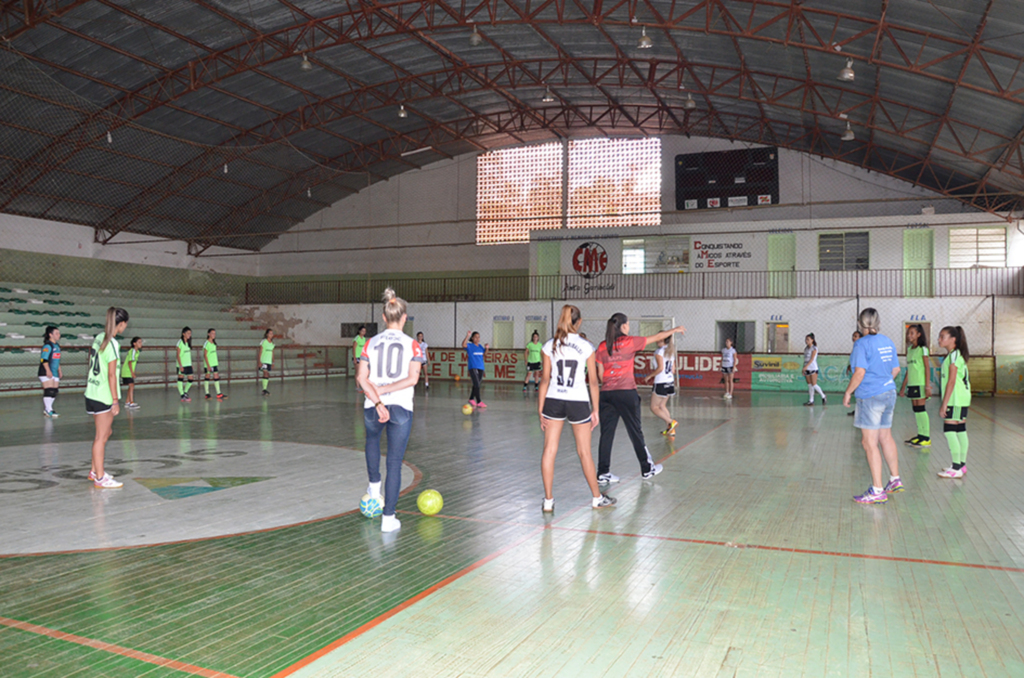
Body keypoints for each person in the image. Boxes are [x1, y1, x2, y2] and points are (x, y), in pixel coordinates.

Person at [356, 288, 424, 533]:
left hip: (373, 405)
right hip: (402, 407)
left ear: (384, 318)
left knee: (372, 441)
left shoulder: (370, 343)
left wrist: (377, 399)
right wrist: (388, 392)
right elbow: (413, 378)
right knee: (394, 462)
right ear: (404, 318)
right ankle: (388, 518)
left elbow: (361, 378)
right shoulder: (413, 345)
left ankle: (374, 486)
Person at [539, 305, 615, 512]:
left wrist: (540, 409)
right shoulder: (587, 346)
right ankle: (597, 498)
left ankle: (548, 501)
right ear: (578, 322)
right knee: (584, 453)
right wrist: (596, 410)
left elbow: (545, 380)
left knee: (549, 450)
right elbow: (592, 382)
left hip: (553, 400)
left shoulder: (549, 346)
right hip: (578, 402)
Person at [595, 314, 686, 484]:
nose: (628, 327)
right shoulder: (629, 342)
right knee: (635, 431)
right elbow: (657, 337)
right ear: (622, 326)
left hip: (607, 394)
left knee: (606, 434)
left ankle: (603, 472)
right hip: (626, 393)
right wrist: (675, 329)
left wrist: (610, 383)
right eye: (628, 324)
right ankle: (646, 468)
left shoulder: (602, 346)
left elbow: (600, 375)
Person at [844, 308, 902, 504]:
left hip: (870, 397)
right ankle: (894, 479)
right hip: (889, 393)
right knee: (885, 436)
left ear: (860, 323)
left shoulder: (861, 344)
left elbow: (859, 372)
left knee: (869, 443)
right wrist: (883, 383)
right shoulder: (888, 341)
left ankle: (877, 490)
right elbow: (896, 369)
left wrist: (848, 392)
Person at [85, 307, 129, 489]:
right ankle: (100, 478)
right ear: (121, 324)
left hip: (92, 392)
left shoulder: (99, 337)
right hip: (103, 395)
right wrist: (115, 400)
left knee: (105, 433)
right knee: (101, 437)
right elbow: (112, 375)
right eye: (125, 324)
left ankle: (94, 471)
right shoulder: (112, 344)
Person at [937, 326, 971, 479]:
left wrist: (944, 404)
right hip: (961, 398)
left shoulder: (954, 356)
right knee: (960, 430)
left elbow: (951, 382)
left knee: (950, 430)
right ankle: (961, 465)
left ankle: (956, 467)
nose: (939, 339)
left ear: (953, 339)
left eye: (942, 336)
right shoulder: (955, 355)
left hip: (955, 399)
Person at [899, 324, 932, 447]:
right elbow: (909, 370)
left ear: (919, 334)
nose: (909, 335)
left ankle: (926, 436)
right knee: (916, 410)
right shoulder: (910, 350)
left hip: (921, 383)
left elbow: (927, 368)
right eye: (908, 333)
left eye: (912, 333)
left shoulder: (923, 349)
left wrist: (927, 386)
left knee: (921, 410)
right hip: (912, 384)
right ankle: (920, 435)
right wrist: (903, 388)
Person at [649, 335, 677, 436]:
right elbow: (673, 370)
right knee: (662, 405)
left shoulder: (659, 351)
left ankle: (671, 421)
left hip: (661, 382)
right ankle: (670, 430)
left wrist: (649, 376)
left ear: (661, 339)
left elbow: (660, 368)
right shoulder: (670, 352)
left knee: (654, 407)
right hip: (670, 382)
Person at [38, 325, 62, 418]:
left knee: (54, 391)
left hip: (54, 371)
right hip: (46, 372)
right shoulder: (48, 346)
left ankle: (49, 408)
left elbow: (57, 359)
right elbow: (43, 359)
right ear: (50, 334)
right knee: (49, 390)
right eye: (56, 333)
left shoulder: (57, 345)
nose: (58, 335)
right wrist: (48, 371)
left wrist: (59, 370)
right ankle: (48, 409)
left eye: (59, 333)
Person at [462, 330, 489, 409]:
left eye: (478, 337)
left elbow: (485, 355)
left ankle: (471, 399)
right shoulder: (470, 346)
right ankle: (479, 401)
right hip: (473, 367)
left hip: (481, 367)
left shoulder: (480, 346)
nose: (477, 339)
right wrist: (467, 336)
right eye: (475, 337)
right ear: (472, 338)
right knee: (477, 384)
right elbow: (463, 344)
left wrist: (487, 348)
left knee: (476, 384)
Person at [802, 333, 826, 406]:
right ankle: (811, 400)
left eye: (808, 339)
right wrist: (804, 368)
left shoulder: (814, 348)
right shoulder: (806, 349)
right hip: (806, 368)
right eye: (806, 339)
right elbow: (805, 359)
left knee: (814, 384)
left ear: (812, 340)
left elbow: (812, 359)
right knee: (809, 385)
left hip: (813, 368)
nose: (806, 341)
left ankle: (823, 396)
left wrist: (806, 366)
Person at [203, 328, 226, 400]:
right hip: (209, 364)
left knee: (216, 376)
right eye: (212, 333)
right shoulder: (206, 343)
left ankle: (219, 393)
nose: (214, 335)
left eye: (214, 333)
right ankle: (207, 393)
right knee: (208, 376)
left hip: (214, 363)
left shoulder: (214, 343)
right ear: (208, 334)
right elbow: (205, 355)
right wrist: (208, 365)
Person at [120, 336, 142, 409]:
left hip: (129, 371)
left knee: (131, 386)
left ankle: (127, 402)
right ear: (134, 344)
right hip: (127, 371)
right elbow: (130, 362)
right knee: (131, 385)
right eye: (139, 342)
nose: (141, 343)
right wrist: (132, 372)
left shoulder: (137, 352)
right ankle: (131, 402)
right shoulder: (132, 351)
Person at [176, 327, 194, 403]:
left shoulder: (188, 343)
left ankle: (185, 392)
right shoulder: (180, 342)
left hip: (188, 364)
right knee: (181, 378)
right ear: (183, 334)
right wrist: (180, 365)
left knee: (191, 378)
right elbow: (178, 355)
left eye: (190, 333)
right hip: (182, 364)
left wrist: (191, 364)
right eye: (188, 333)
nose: (189, 335)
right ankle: (182, 395)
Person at [846, 330, 861, 416]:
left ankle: (860, 411)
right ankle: (858, 410)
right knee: (857, 393)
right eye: (853, 336)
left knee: (860, 393)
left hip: (859, 375)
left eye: (856, 336)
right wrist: (850, 366)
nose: (854, 338)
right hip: (855, 373)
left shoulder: (859, 347)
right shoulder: (855, 347)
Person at [258, 329, 275, 396]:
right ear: (267, 334)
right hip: (264, 360)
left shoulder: (272, 343)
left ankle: (265, 388)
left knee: (267, 374)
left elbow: (272, 353)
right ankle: (264, 390)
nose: (271, 335)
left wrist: (273, 362)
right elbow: (260, 351)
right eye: (270, 333)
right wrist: (259, 361)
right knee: (265, 373)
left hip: (269, 361)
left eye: (272, 333)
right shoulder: (264, 342)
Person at [353, 325, 368, 392]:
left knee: (362, 372)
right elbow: (354, 348)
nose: (363, 332)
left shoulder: (364, 339)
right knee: (357, 372)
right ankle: (357, 386)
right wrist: (355, 358)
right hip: (357, 357)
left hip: (362, 357)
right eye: (362, 331)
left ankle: (361, 385)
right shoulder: (357, 338)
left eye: (364, 331)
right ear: (359, 331)